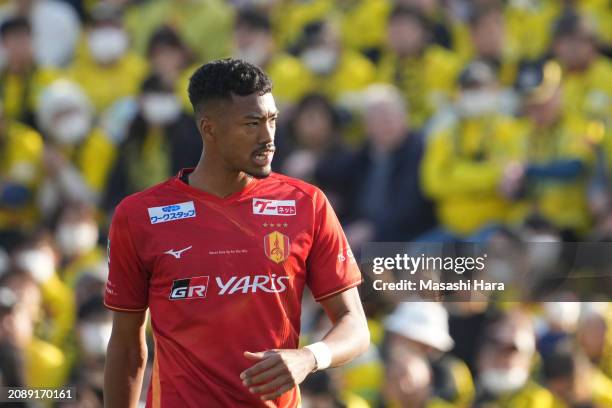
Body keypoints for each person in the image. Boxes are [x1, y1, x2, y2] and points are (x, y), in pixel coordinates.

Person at [103, 58, 370, 407]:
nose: (268, 137)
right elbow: (126, 346)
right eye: (251, 123)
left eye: (272, 120)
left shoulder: (307, 204)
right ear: (208, 128)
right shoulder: (139, 216)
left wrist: (310, 357)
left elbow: (355, 325)